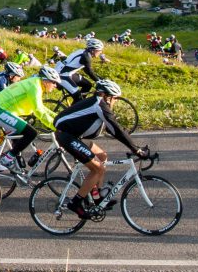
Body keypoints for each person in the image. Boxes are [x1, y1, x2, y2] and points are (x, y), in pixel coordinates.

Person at [53, 79, 149, 215]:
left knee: (102, 155)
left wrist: (134, 147)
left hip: (74, 136)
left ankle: (96, 197)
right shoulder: (99, 104)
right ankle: (75, 203)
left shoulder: (98, 103)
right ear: (106, 96)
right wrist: (136, 150)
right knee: (98, 169)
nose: (115, 101)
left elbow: (112, 130)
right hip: (67, 137)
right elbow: (117, 129)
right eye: (114, 98)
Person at [0, 66, 62, 168]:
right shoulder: (35, 87)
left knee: (20, 136)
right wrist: (56, 126)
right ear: (46, 81)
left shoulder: (37, 83)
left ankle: (15, 166)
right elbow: (38, 111)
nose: (55, 85)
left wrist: (58, 118)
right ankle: (5, 160)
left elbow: (41, 107)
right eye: (54, 82)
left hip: (5, 110)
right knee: (31, 133)